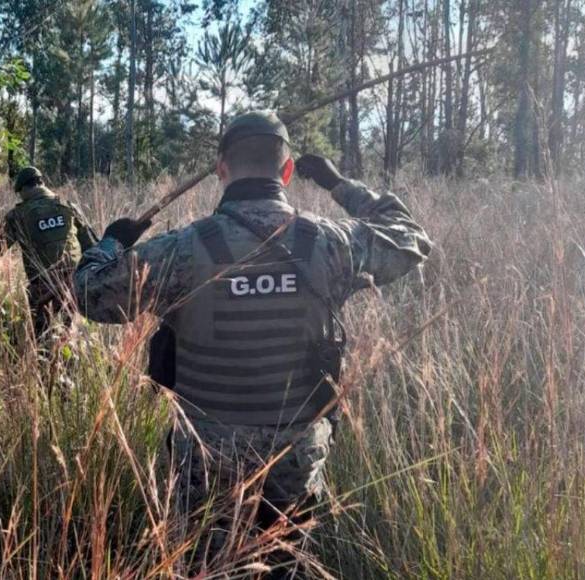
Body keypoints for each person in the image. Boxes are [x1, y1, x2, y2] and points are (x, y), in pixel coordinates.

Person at [73, 111, 431, 576]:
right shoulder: (329, 242)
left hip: (207, 456)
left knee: (209, 565)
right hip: (295, 453)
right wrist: (338, 184)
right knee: (283, 564)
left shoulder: (182, 249)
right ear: (286, 172)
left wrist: (110, 243)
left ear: (221, 170)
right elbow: (409, 239)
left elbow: (87, 294)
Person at [0, 166, 97, 338]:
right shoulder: (68, 206)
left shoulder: (17, 215)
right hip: (75, 283)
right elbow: (92, 247)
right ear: (41, 183)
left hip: (42, 289)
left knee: (42, 338)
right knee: (70, 336)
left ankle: (43, 357)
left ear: (23, 190)